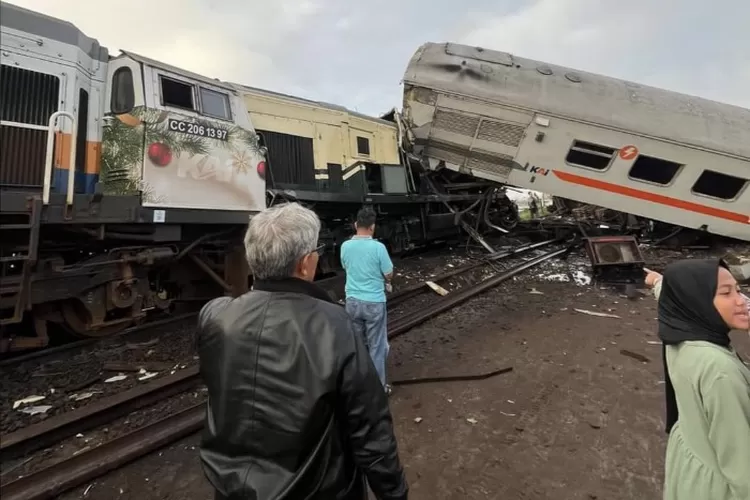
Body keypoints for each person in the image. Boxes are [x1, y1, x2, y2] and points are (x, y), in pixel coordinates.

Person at [197, 202, 408, 500]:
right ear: (305, 264)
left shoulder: (215, 317)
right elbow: (371, 431)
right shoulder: (335, 325)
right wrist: (394, 493)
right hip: (319, 489)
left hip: (230, 490)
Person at [645, 260, 750, 500]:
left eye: (739, 290)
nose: (741, 300)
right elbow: (743, 468)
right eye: (726, 292)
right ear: (697, 302)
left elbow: (670, 293)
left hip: (690, 466)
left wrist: (656, 281)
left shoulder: (679, 331)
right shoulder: (720, 371)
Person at [340, 206, 394, 394]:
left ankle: (359, 387)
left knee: (358, 346)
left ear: (356, 225)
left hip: (352, 302)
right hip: (374, 303)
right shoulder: (378, 248)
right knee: (377, 347)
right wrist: (385, 279)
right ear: (372, 227)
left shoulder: (345, 246)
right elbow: (388, 274)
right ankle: (378, 389)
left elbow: (346, 267)